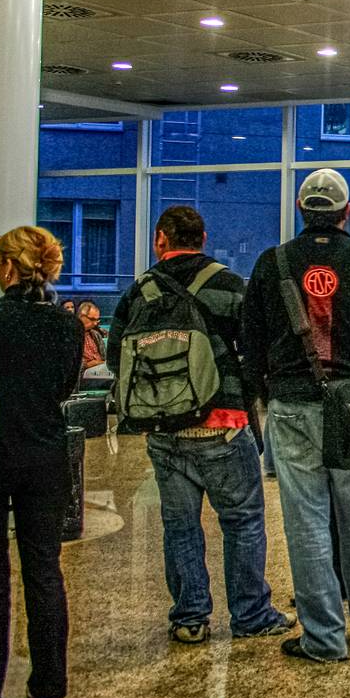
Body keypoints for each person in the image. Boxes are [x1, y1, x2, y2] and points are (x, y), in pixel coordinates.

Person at [107, 206, 293, 645]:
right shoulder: (228, 284)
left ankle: (190, 617)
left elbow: (116, 357)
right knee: (243, 521)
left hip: (165, 432)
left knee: (181, 526)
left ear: (160, 239)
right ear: (203, 238)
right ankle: (250, 614)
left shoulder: (138, 292)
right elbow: (255, 351)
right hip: (223, 426)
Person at [241, 169, 350, 663]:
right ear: (346, 213)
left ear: (300, 208)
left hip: (292, 407)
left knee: (306, 521)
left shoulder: (274, 262)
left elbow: (251, 341)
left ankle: (324, 637)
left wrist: (268, 389)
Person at [0, 227, 83, 698]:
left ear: (8, 269)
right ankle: (50, 684)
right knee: (44, 570)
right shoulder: (68, 327)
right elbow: (63, 390)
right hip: (47, 460)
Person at [76, 301, 105, 370]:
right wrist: (86, 365)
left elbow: (104, 356)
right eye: (92, 319)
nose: (95, 323)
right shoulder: (71, 335)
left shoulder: (96, 335)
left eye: (97, 320)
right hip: (82, 375)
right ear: (81, 316)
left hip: (99, 370)